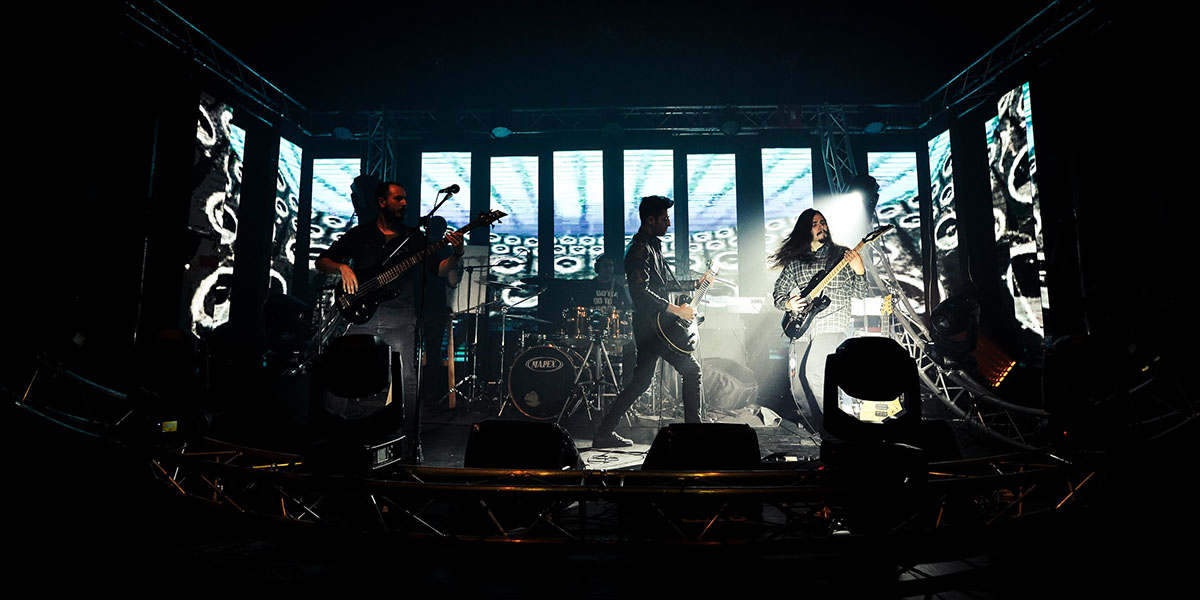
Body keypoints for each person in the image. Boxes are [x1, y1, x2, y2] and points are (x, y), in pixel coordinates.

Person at [315, 181, 464, 462]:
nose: (404, 203)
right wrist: (342, 267)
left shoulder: (415, 238)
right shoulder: (360, 234)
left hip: (401, 317)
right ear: (382, 202)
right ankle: (330, 436)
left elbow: (441, 271)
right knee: (343, 373)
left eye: (405, 199)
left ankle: (410, 441)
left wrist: (456, 254)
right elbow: (321, 261)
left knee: (407, 378)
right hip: (361, 314)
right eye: (398, 198)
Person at [592, 195, 713, 448]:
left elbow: (661, 284)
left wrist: (695, 283)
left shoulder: (651, 246)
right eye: (664, 218)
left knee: (640, 382)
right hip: (652, 326)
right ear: (650, 220)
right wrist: (676, 310)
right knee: (692, 371)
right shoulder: (638, 249)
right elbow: (640, 293)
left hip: (653, 325)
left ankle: (604, 433)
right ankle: (695, 434)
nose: (668, 223)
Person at [771, 208, 867, 439]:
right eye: (815, 224)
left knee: (814, 373)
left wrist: (860, 270)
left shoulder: (842, 255)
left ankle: (839, 429)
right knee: (798, 387)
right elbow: (778, 294)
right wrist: (789, 304)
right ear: (806, 230)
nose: (821, 227)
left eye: (822, 222)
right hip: (804, 329)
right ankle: (822, 432)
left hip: (832, 324)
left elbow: (861, 293)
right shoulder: (797, 262)